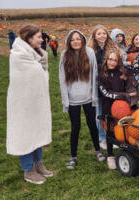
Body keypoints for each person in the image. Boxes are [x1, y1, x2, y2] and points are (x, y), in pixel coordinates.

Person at [7, 24, 53, 184]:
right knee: (26, 134)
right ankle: (28, 169)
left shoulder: (37, 54)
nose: (42, 39)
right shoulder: (19, 55)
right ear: (29, 37)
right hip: (23, 104)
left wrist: (43, 66)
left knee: (37, 131)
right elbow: (33, 75)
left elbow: (41, 74)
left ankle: (38, 164)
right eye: (39, 37)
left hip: (36, 102)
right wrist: (42, 68)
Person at [59, 30, 105, 169]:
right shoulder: (64, 55)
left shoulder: (89, 53)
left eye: (78, 39)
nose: (76, 41)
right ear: (69, 42)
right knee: (75, 127)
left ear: (83, 40)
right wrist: (65, 100)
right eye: (73, 40)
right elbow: (62, 79)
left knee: (92, 124)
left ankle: (98, 150)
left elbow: (94, 74)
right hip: (73, 99)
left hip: (88, 98)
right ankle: (73, 156)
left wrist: (93, 97)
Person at [99, 50, 136, 169]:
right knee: (110, 132)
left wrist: (130, 91)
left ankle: (127, 152)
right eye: (110, 59)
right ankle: (110, 156)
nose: (112, 62)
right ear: (106, 59)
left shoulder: (123, 72)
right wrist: (122, 95)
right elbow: (105, 93)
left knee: (124, 129)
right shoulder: (102, 74)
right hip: (108, 106)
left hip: (122, 106)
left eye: (115, 60)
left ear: (118, 61)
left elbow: (130, 84)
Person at [88, 25, 119, 150]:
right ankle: (102, 138)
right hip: (98, 87)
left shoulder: (112, 49)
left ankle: (111, 136)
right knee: (100, 113)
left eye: (104, 33)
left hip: (111, 86)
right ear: (94, 36)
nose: (102, 36)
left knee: (111, 112)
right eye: (99, 34)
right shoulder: (90, 52)